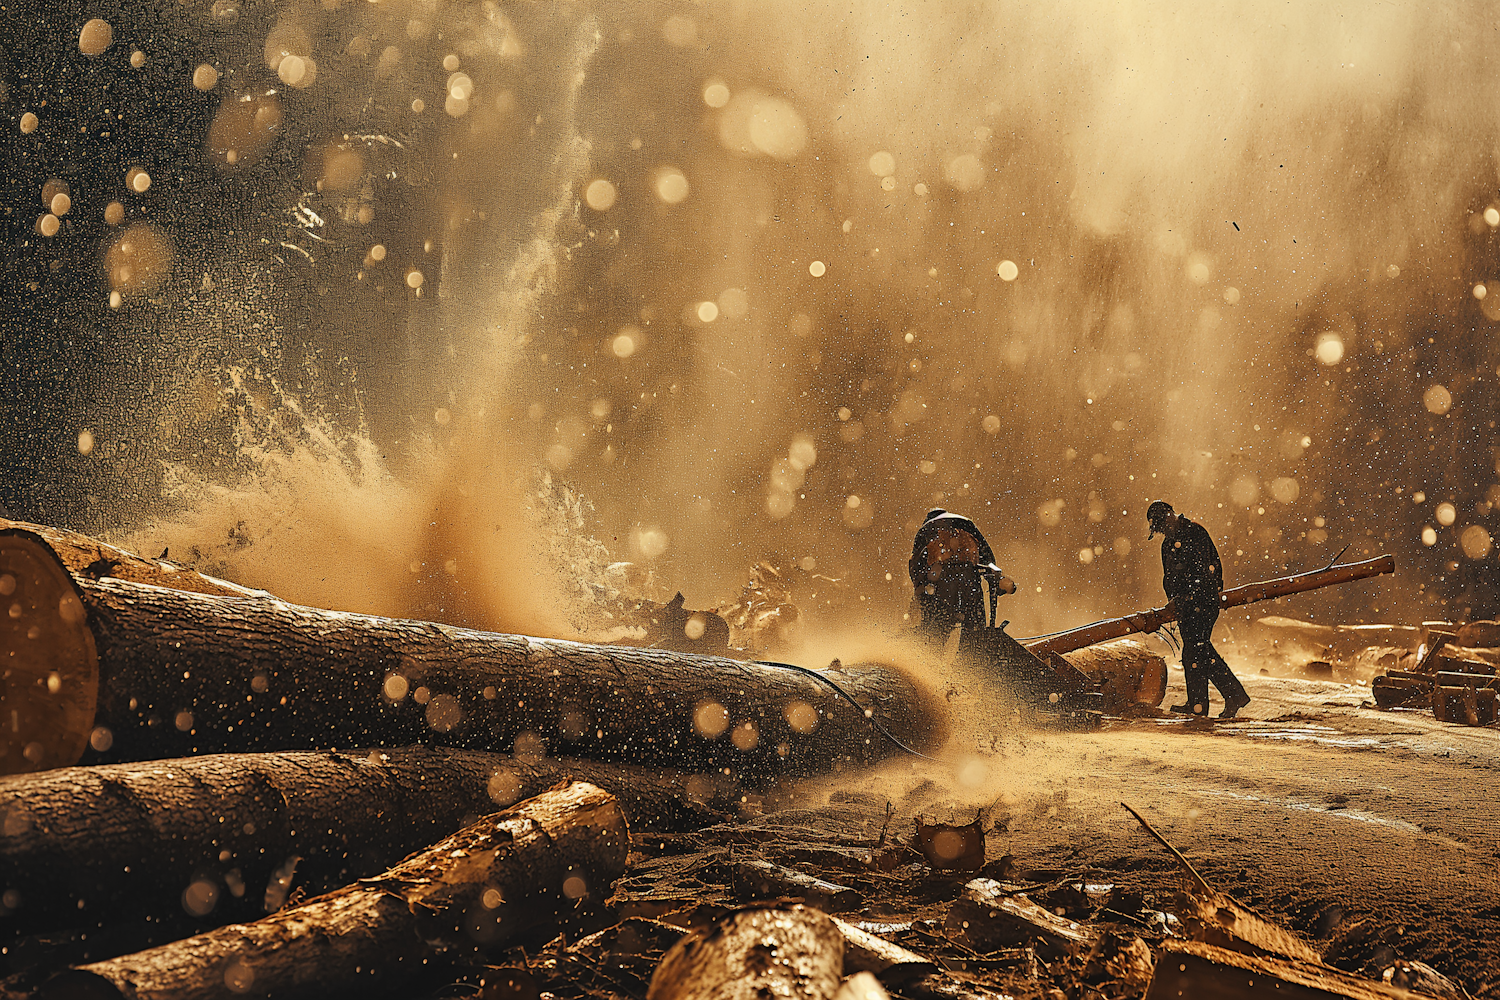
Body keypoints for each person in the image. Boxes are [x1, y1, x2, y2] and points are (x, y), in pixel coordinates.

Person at [1147, 500, 1251, 719]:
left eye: (1162, 525)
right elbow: (1169, 578)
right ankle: (1205, 703)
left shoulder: (1195, 533)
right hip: (1186, 608)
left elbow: (1207, 572)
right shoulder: (1168, 544)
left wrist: (1189, 597)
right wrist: (1174, 600)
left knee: (1197, 650)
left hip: (1204, 603)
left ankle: (1219, 699)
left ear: (1170, 516)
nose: (1162, 531)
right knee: (1196, 651)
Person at [908, 508, 1016, 646]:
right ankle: (973, 654)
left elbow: (915, 564)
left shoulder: (926, 529)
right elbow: (987, 556)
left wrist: (920, 591)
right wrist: (995, 580)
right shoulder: (965, 523)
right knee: (974, 626)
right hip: (969, 575)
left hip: (941, 577)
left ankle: (929, 654)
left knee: (937, 628)